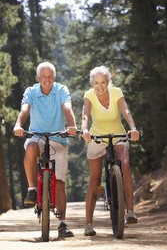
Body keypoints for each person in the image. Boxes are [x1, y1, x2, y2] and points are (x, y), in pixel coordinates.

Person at [13, 61, 77, 238]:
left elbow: (67, 107)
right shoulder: (31, 91)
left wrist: (72, 125)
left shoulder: (61, 90)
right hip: (37, 136)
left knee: (59, 183)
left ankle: (62, 224)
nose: (47, 80)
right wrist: (19, 124)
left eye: (50, 76)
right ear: (38, 78)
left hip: (59, 138)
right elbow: (25, 109)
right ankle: (32, 189)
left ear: (54, 78)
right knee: (31, 147)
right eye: (43, 77)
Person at [81, 66, 140, 236]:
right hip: (97, 136)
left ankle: (130, 212)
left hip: (118, 134)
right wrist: (85, 130)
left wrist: (133, 128)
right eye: (96, 83)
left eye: (103, 82)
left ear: (108, 82)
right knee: (94, 179)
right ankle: (88, 224)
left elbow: (125, 110)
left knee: (126, 165)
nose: (100, 86)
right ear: (92, 83)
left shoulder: (116, 92)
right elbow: (85, 114)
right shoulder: (89, 95)